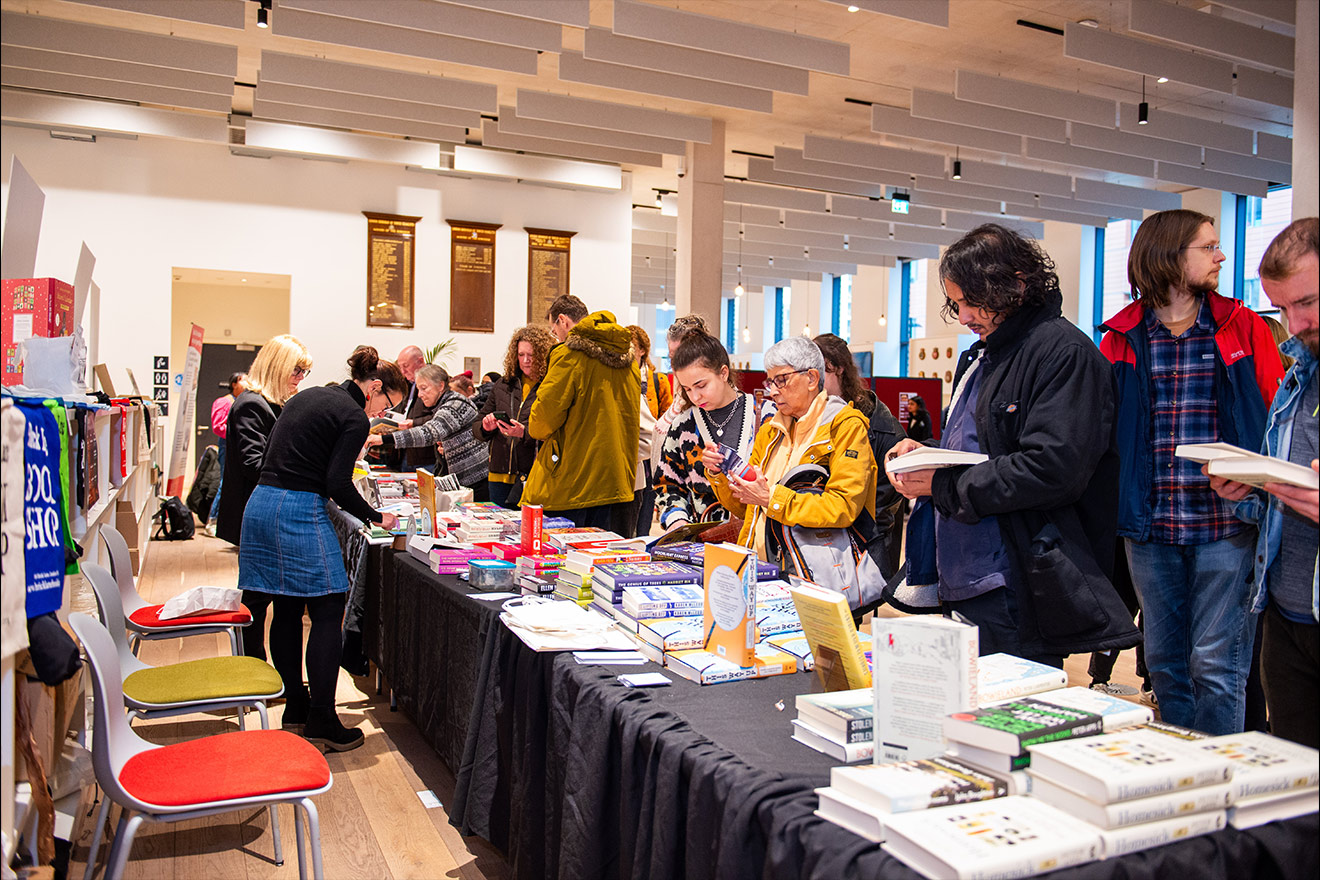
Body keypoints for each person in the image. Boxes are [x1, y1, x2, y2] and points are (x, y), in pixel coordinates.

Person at [890, 224, 1138, 665]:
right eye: (958, 303)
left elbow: (1051, 468)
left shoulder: (1064, 353)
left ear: (1014, 285)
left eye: (971, 302)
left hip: (1018, 578)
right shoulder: (985, 353)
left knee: (1015, 720)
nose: (964, 316)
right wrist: (926, 450)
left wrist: (943, 485)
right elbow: (982, 445)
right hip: (970, 575)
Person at [1100, 209, 1284, 734]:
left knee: (1217, 667)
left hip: (1227, 523)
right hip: (1151, 526)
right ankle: (1182, 769)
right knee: (1165, 667)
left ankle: (1218, 783)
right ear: (1170, 254)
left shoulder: (1242, 327)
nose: (1221, 256)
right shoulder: (1121, 338)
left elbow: (1275, 418)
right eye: (1208, 247)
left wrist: (1258, 483)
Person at [239, 346, 406, 751]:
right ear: (374, 388)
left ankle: (296, 704)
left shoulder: (313, 395)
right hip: (296, 509)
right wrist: (376, 517)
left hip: (261, 504)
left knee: (287, 607)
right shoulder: (351, 416)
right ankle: (323, 719)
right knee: (330, 604)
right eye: (386, 406)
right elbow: (336, 483)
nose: (380, 415)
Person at [1209, 217, 1319, 748]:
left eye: (1308, 303)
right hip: (1286, 613)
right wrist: (1252, 486)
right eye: (1282, 308)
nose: (1295, 324)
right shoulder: (1300, 370)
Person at [705, 336, 876, 569]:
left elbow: (842, 507)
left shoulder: (846, 428)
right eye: (770, 382)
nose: (773, 391)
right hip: (759, 568)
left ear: (812, 378)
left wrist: (771, 499)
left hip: (814, 573)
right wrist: (718, 474)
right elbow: (747, 509)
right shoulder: (770, 432)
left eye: (782, 380)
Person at [215, 335, 311, 660]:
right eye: (296, 370)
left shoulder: (274, 404)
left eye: (304, 373)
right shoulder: (252, 405)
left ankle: (263, 675)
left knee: (271, 600)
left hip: (271, 513)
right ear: (277, 366)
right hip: (259, 516)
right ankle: (251, 673)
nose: (299, 379)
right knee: (257, 600)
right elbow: (254, 464)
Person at [523, 295, 639, 529]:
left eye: (553, 330)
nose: (555, 336)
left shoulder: (568, 355)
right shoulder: (629, 360)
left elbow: (541, 421)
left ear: (563, 320)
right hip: (618, 481)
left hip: (573, 483)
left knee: (564, 562)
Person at [814, 333, 907, 579]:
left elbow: (888, 495)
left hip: (864, 540)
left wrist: (847, 519)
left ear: (841, 369)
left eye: (824, 371)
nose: (816, 380)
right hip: (824, 534)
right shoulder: (813, 415)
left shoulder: (881, 424)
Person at [656, 331, 767, 532]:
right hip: (703, 544)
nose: (696, 396)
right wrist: (677, 522)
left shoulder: (765, 416)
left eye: (701, 385)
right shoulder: (683, 424)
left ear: (723, 373)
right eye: (688, 389)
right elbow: (667, 484)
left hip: (759, 539)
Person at [369, 365, 489, 500]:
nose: (420, 395)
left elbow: (428, 433)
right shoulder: (446, 404)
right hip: (464, 480)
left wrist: (384, 439)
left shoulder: (456, 404)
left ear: (440, 386)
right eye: (419, 389)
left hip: (474, 481)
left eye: (424, 388)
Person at [475, 325, 556, 508]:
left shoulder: (550, 386)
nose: (526, 360)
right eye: (521, 355)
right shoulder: (503, 384)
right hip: (498, 474)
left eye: (532, 355)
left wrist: (524, 433)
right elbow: (477, 425)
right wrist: (485, 427)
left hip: (531, 475)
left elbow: (555, 431)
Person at [629, 324, 673, 537]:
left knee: (645, 511)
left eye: (632, 346)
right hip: (632, 455)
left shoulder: (658, 381)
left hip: (651, 455)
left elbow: (668, 419)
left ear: (642, 350)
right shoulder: (620, 380)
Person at [205, 371, 246, 536]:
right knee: (225, 482)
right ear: (234, 383)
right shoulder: (223, 402)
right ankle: (213, 520)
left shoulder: (243, 401)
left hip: (239, 446)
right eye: (244, 380)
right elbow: (218, 426)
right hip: (228, 445)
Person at [388, 345, 437, 471]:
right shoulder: (408, 384)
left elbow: (438, 417)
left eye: (406, 366)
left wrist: (413, 423)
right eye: (400, 367)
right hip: (406, 451)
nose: (403, 372)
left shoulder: (435, 382)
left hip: (426, 455)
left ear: (420, 361)